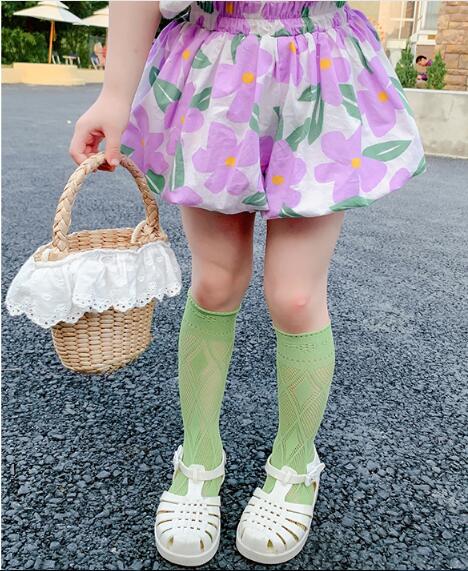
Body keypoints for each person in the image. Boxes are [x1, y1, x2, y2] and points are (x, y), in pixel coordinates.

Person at [69, 1, 426, 566]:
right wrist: (115, 95)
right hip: (215, 62)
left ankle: (295, 462)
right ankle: (199, 457)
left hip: (315, 60)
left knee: (296, 296)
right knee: (215, 283)